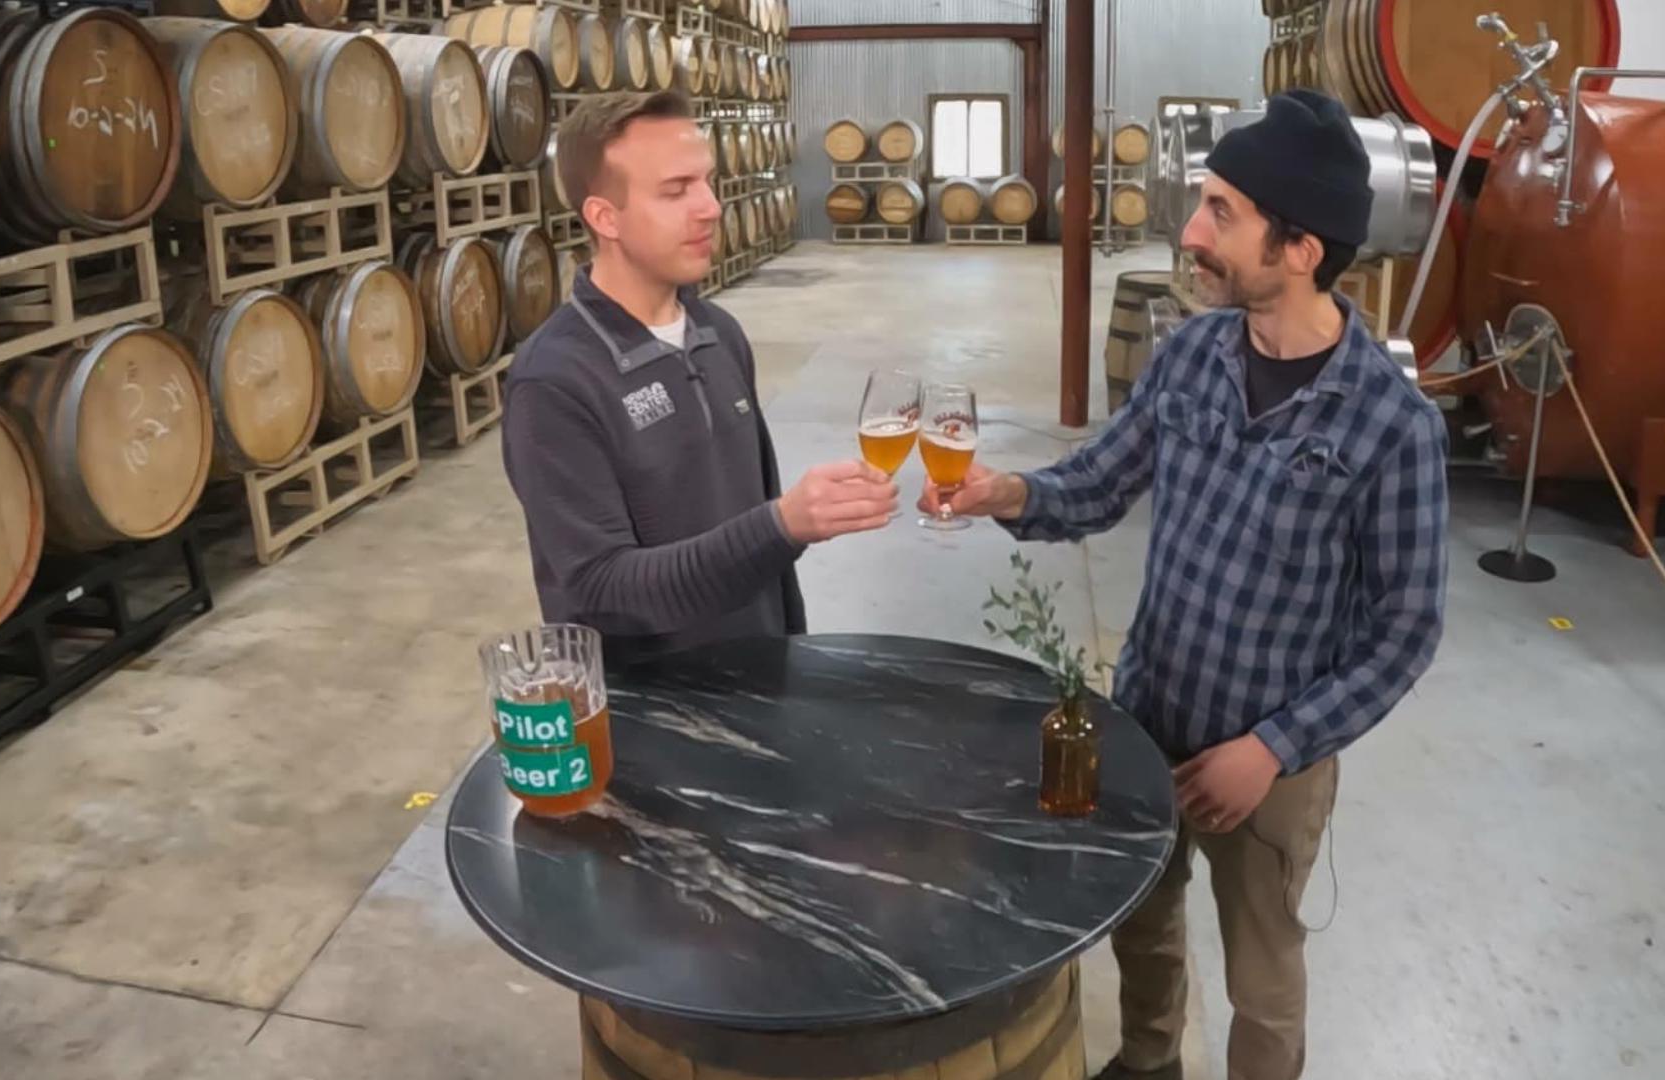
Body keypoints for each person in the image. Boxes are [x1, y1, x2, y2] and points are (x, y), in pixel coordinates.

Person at [922, 91, 1450, 1080]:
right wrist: (1005, 491)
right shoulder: (1194, 354)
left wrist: (1271, 749)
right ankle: (1152, 1060)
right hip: (1153, 716)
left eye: (1221, 214)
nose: (1192, 232)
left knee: (1263, 972)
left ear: (1301, 248)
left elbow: (1405, 633)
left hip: (1272, 764)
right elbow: (1101, 480)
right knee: (1144, 922)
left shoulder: (1390, 425)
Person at [503, 90, 897, 657]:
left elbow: (763, 547)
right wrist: (782, 524)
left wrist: (792, 651)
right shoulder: (555, 381)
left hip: (759, 678)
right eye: (676, 190)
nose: (711, 206)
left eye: (706, 181)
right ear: (604, 217)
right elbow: (601, 588)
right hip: (654, 714)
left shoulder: (719, 334)